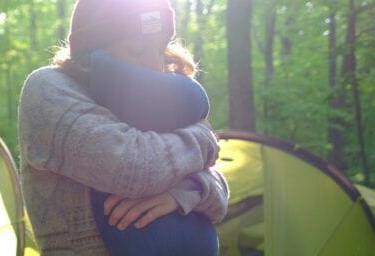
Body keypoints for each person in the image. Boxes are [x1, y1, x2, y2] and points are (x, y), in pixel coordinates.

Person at [17, 0, 229, 255]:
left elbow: (220, 194)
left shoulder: (159, 106)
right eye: (136, 49)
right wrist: (204, 138)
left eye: (160, 51)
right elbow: (133, 169)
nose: (155, 66)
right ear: (92, 50)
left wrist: (186, 191)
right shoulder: (48, 89)